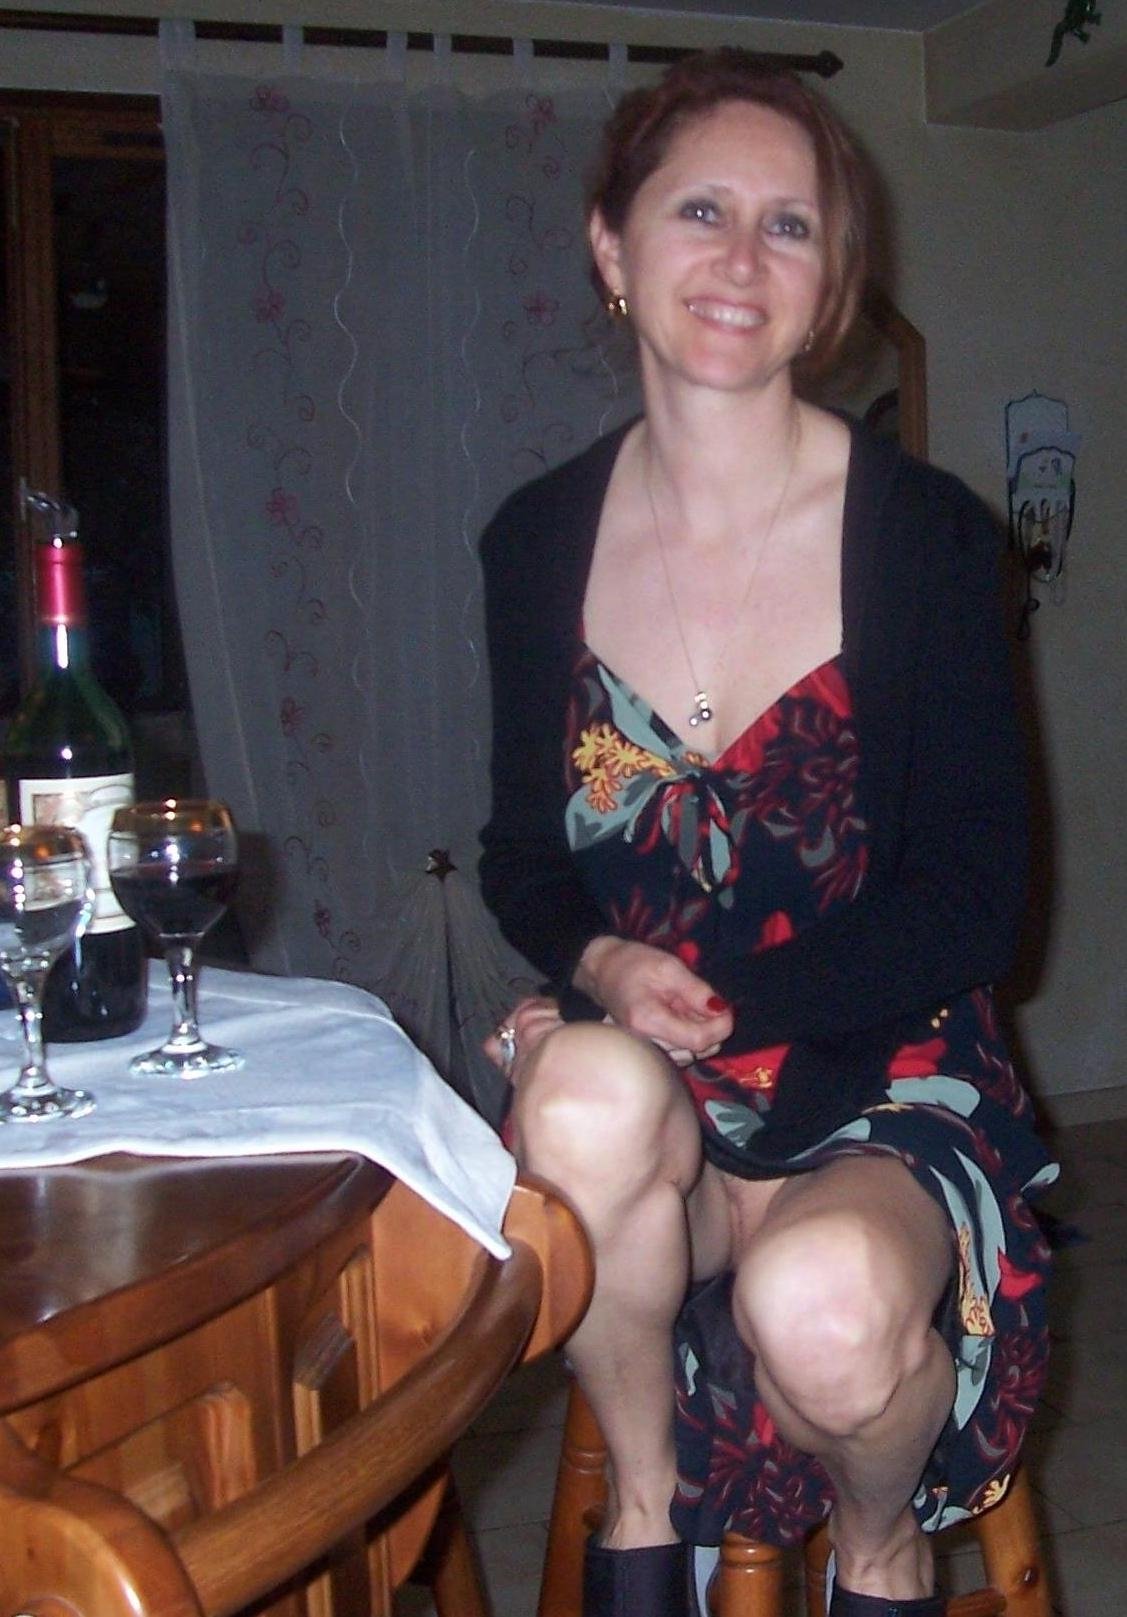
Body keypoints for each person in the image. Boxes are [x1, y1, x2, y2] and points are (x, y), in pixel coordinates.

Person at [478, 49, 1057, 1617]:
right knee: (577, 1093)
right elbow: (523, 852)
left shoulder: (929, 539)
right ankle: (643, 1513)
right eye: (702, 211)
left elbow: (976, 901)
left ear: (829, 284)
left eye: (788, 225)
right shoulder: (534, 542)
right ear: (613, 245)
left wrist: (727, 1005)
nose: (742, 258)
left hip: (881, 1071)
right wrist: (599, 962)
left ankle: (880, 1546)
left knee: (823, 1305)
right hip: (660, 1090)